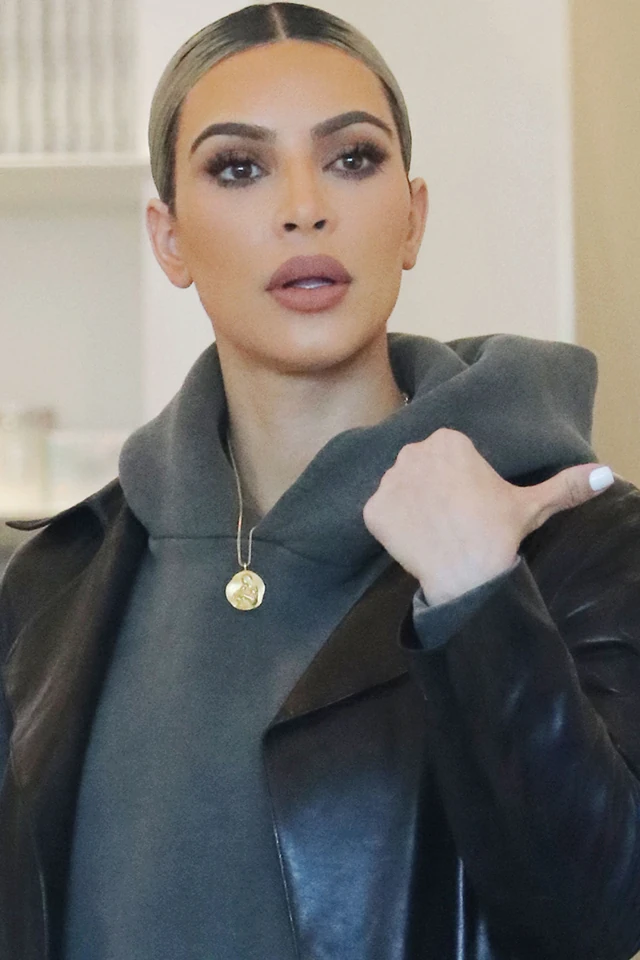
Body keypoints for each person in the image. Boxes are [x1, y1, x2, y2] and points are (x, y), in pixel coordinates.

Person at [1, 3, 640, 959]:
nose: (304, 206)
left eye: (352, 158)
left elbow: (599, 917)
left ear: (412, 218)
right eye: (239, 167)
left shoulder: (578, 540)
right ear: (169, 239)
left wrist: (479, 597)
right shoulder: (52, 582)